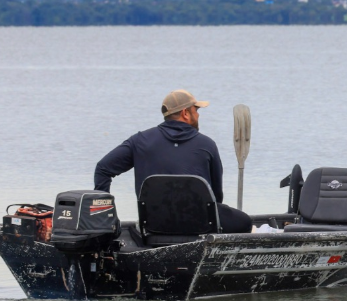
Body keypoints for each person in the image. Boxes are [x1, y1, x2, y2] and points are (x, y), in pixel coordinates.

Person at [94, 89, 253, 233]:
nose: (198, 115)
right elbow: (216, 196)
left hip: (154, 225)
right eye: (196, 110)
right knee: (245, 222)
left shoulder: (139, 141)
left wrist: (105, 217)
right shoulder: (207, 144)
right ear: (185, 113)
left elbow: (103, 169)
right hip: (200, 225)